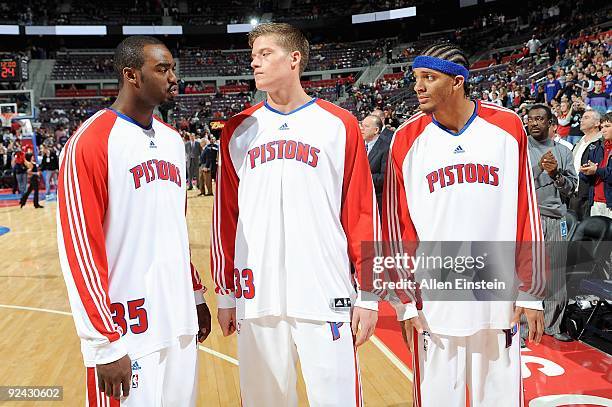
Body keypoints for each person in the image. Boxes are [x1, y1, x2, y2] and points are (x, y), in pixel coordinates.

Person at [212, 23, 379, 407]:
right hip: (257, 294)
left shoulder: (339, 124)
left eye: (265, 54)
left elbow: (362, 213)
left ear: (294, 59)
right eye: (253, 56)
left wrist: (368, 295)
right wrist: (225, 294)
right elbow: (226, 217)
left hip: (326, 291)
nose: (254, 63)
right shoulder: (238, 130)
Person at [384, 43, 545, 406]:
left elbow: (526, 212)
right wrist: (405, 300)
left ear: (457, 82)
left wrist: (532, 290)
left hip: (497, 297)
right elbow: (397, 229)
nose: (417, 87)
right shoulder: (406, 139)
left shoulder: (507, 127)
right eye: (415, 78)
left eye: (429, 77)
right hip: (436, 301)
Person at [56, 36, 211, 406]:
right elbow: (80, 249)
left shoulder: (173, 141)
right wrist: (103, 343)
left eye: (173, 68)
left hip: (177, 319)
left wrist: (195, 294)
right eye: (162, 69)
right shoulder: (91, 141)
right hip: (127, 329)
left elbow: (174, 230)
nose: (174, 77)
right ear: (131, 76)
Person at [526, 104, 577, 342]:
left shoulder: (564, 151)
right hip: (529, 217)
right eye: (530, 119)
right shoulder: (519, 148)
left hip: (557, 218)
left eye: (539, 119)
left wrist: (556, 174)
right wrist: (540, 168)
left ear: (550, 124)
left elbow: (572, 188)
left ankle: (553, 325)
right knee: (528, 272)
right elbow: (516, 183)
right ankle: (525, 328)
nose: (534, 123)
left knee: (556, 273)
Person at [579, 112, 612, 218]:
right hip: (595, 202)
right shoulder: (597, 147)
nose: (603, 130)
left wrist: (596, 170)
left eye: (607, 126)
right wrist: (585, 172)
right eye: (602, 127)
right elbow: (585, 177)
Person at [571, 109, 602, 220]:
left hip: (589, 194)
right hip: (574, 193)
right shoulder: (580, 141)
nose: (581, 120)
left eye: (586, 117)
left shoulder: (601, 142)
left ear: (597, 123)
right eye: (582, 117)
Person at [360, 114, 389, 215]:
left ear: (376, 130)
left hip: (378, 201)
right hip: (361, 200)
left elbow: (385, 177)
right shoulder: (359, 146)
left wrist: (364, 178)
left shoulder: (386, 148)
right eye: (361, 125)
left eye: (366, 127)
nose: (361, 129)